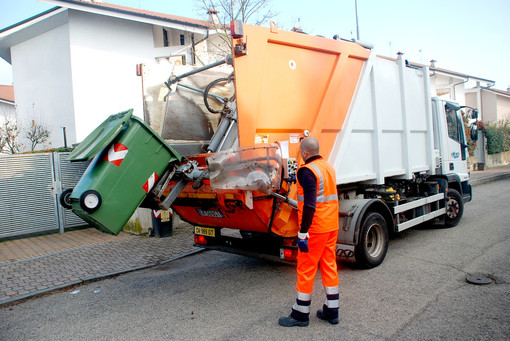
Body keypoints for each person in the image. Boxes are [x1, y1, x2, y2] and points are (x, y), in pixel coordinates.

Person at [278, 136, 340, 327]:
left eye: (300, 152)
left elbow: (311, 204)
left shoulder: (307, 171)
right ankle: (332, 311)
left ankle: (300, 314)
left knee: (306, 268)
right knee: (329, 265)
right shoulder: (328, 167)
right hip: (331, 225)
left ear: (305, 153)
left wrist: (303, 232)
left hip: (316, 228)